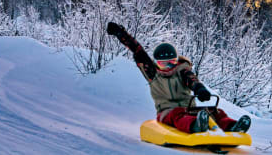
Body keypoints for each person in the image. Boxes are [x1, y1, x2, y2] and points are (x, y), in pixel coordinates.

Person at [107, 22, 251, 134]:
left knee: (214, 111)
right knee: (177, 115)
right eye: (163, 64)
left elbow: (191, 79)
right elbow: (137, 50)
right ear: (157, 64)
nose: (168, 67)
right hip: (167, 112)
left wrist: (200, 89)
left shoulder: (181, 71)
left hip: (189, 109)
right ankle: (196, 126)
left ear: (177, 61)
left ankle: (232, 126)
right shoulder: (153, 74)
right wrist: (121, 33)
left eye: (171, 63)